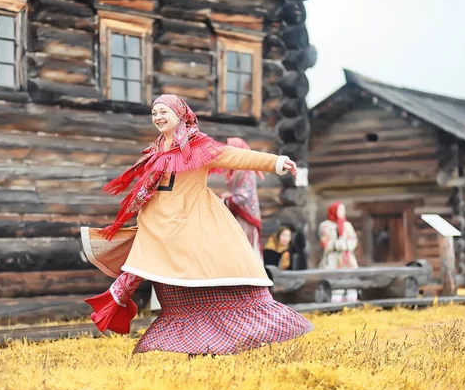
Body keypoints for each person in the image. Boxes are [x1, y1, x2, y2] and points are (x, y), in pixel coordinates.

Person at [81, 94, 313, 355]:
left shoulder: (198, 146)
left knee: (203, 280)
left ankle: (217, 341)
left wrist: (276, 162)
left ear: (180, 114)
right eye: (154, 112)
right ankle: (189, 341)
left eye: (163, 112)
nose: (157, 117)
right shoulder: (154, 151)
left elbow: (233, 156)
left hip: (190, 224)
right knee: (169, 289)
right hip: (159, 229)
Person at [220, 137, 265, 261]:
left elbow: (245, 195)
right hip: (237, 215)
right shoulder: (233, 170)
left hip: (246, 216)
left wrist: (228, 199)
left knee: (246, 250)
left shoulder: (246, 169)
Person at [317, 201, 359, 301]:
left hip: (347, 259)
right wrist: (340, 244)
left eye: (343, 210)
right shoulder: (325, 226)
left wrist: (344, 244)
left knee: (350, 281)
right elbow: (326, 243)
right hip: (332, 259)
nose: (342, 212)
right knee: (333, 281)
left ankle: (351, 301)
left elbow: (353, 240)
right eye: (340, 209)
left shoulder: (347, 225)